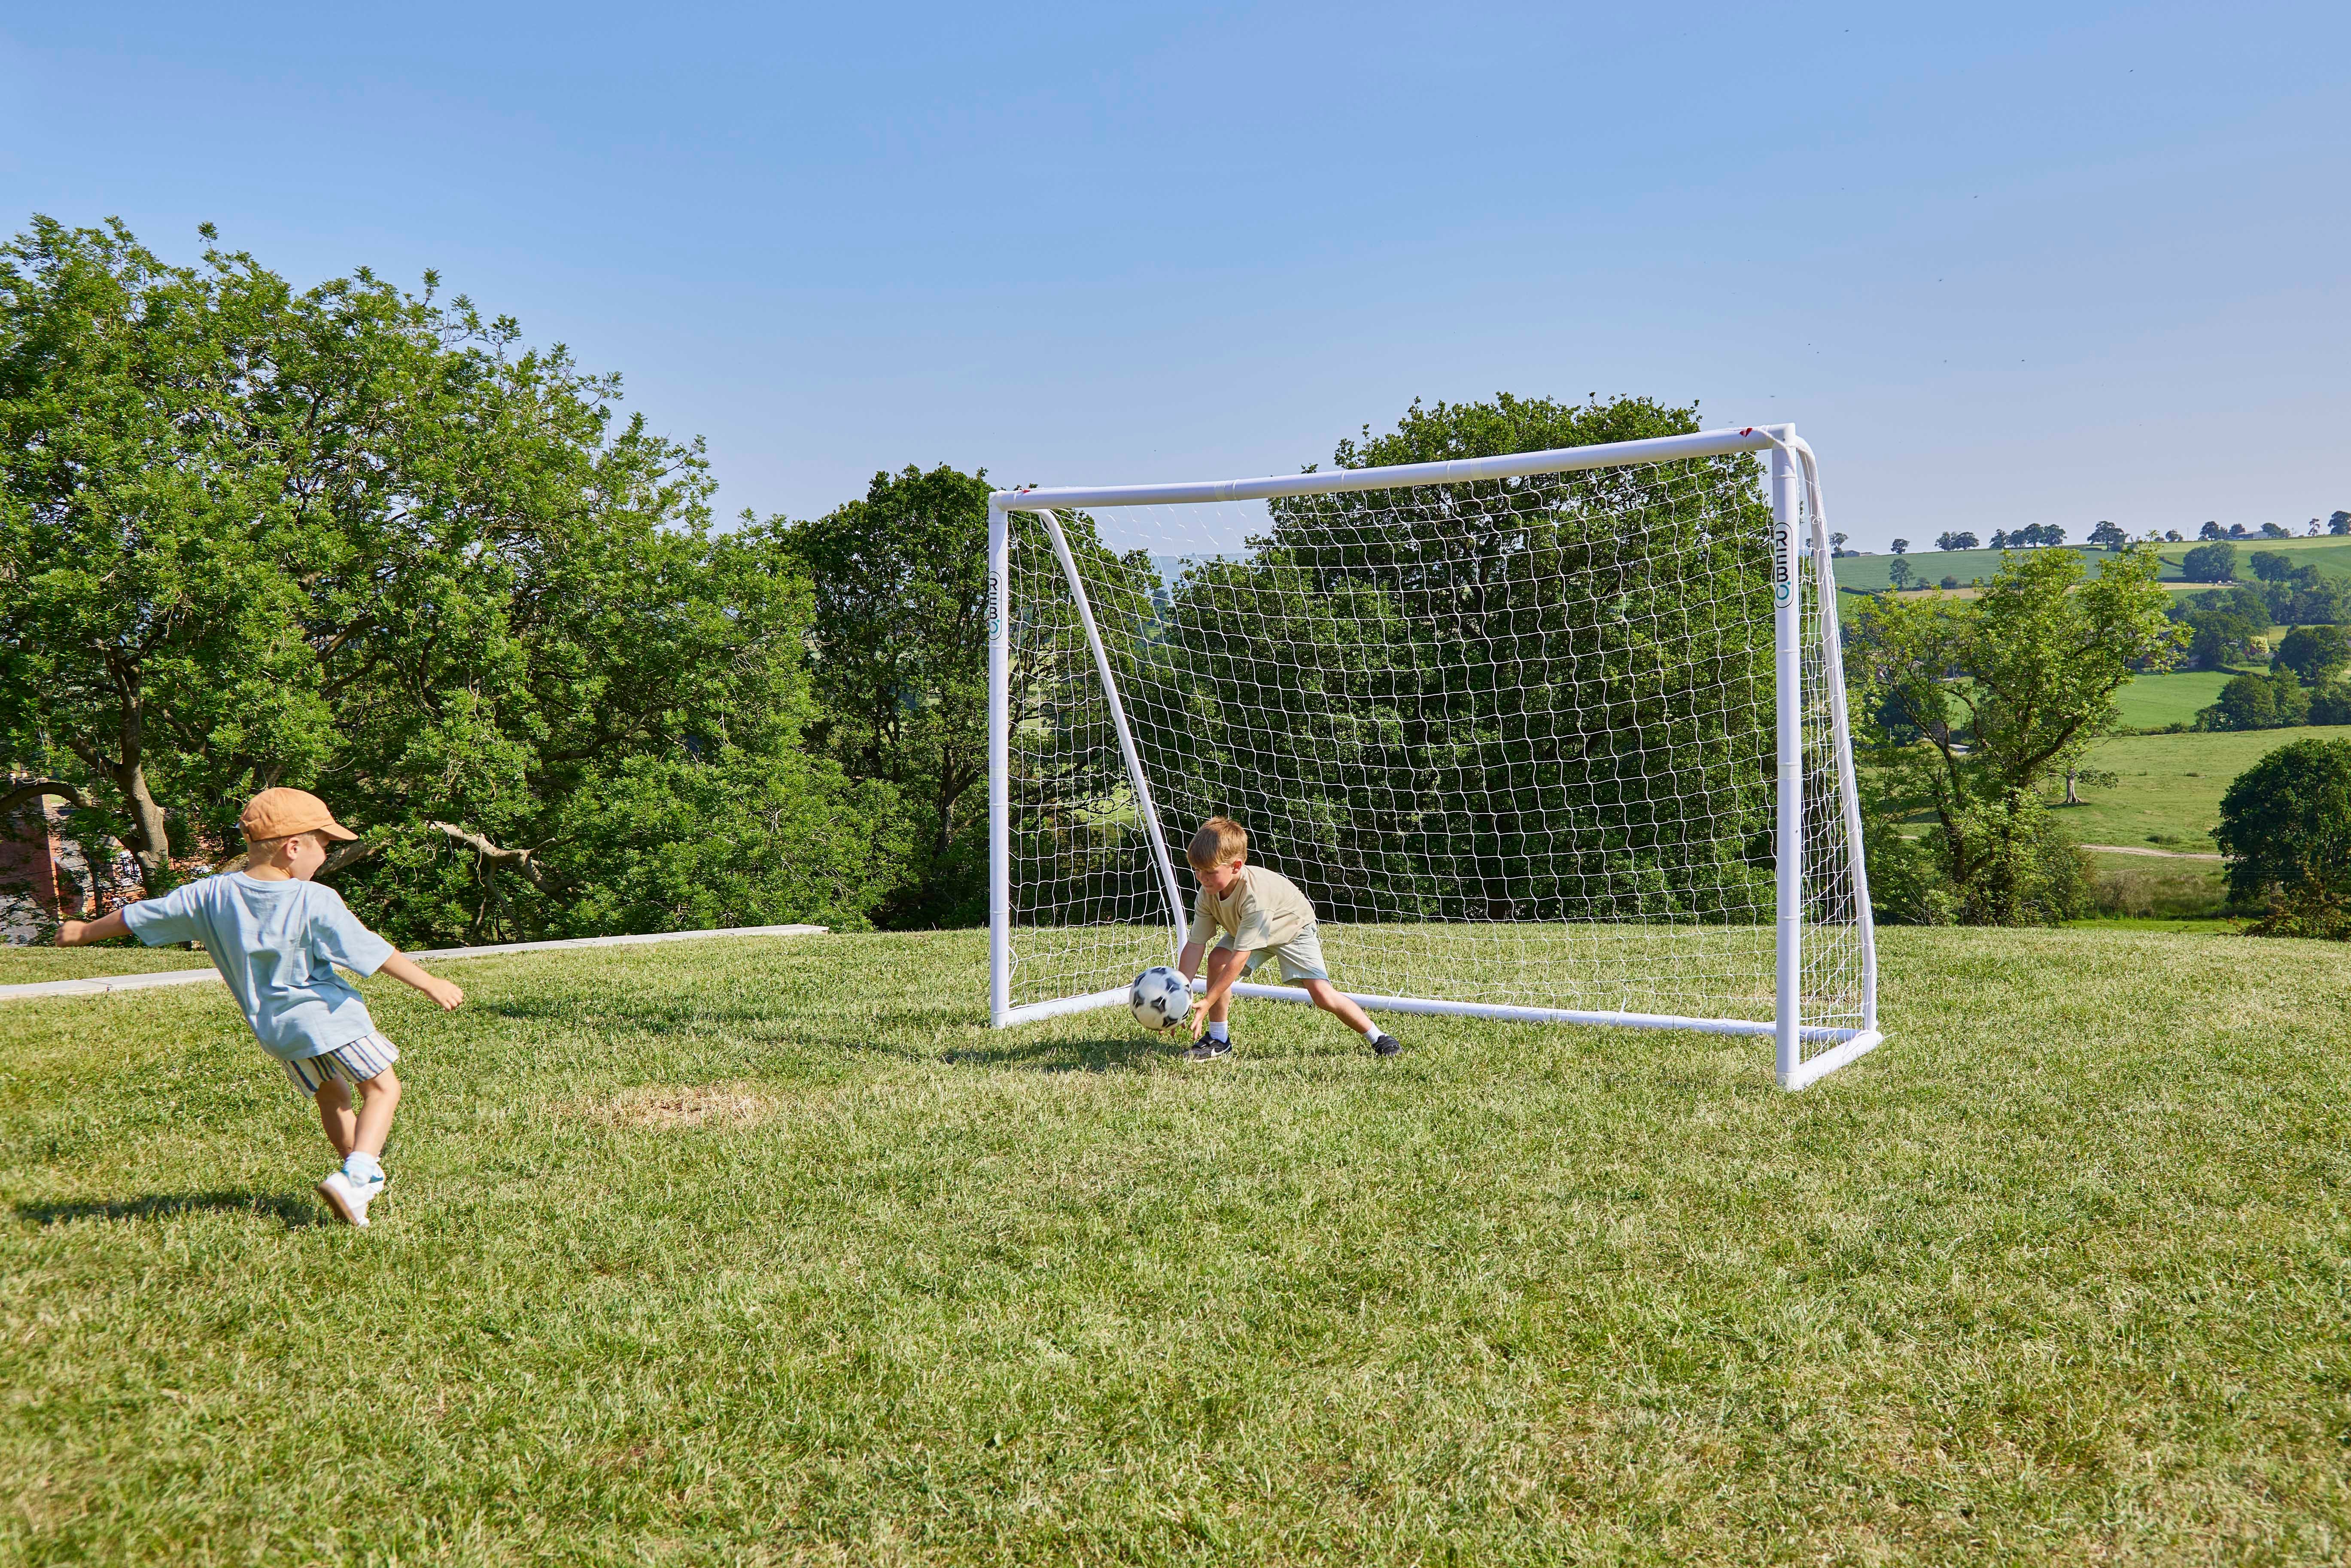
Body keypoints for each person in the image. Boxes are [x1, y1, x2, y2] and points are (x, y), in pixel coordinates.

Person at [57, 788, 464, 1227]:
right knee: (384, 1089)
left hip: (277, 1030)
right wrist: (431, 982)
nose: (323, 859)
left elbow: (140, 916)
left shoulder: (209, 895)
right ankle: (359, 1174)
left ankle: (355, 1191)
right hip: (329, 1016)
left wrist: (83, 932)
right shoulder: (315, 899)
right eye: (323, 847)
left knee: (333, 1096)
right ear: (294, 847)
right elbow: (370, 949)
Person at [1177, 816, 1402, 1064]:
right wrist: (1179, 994)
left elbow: (1241, 958)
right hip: (1252, 929)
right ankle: (1219, 1040)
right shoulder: (1208, 894)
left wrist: (1207, 1001)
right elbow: (1195, 944)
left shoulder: (1255, 898)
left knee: (1322, 995)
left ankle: (1378, 1037)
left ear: (1236, 866)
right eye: (1197, 870)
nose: (1201, 877)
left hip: (1292, 929)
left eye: (1209, 872)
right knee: (1217, 959)